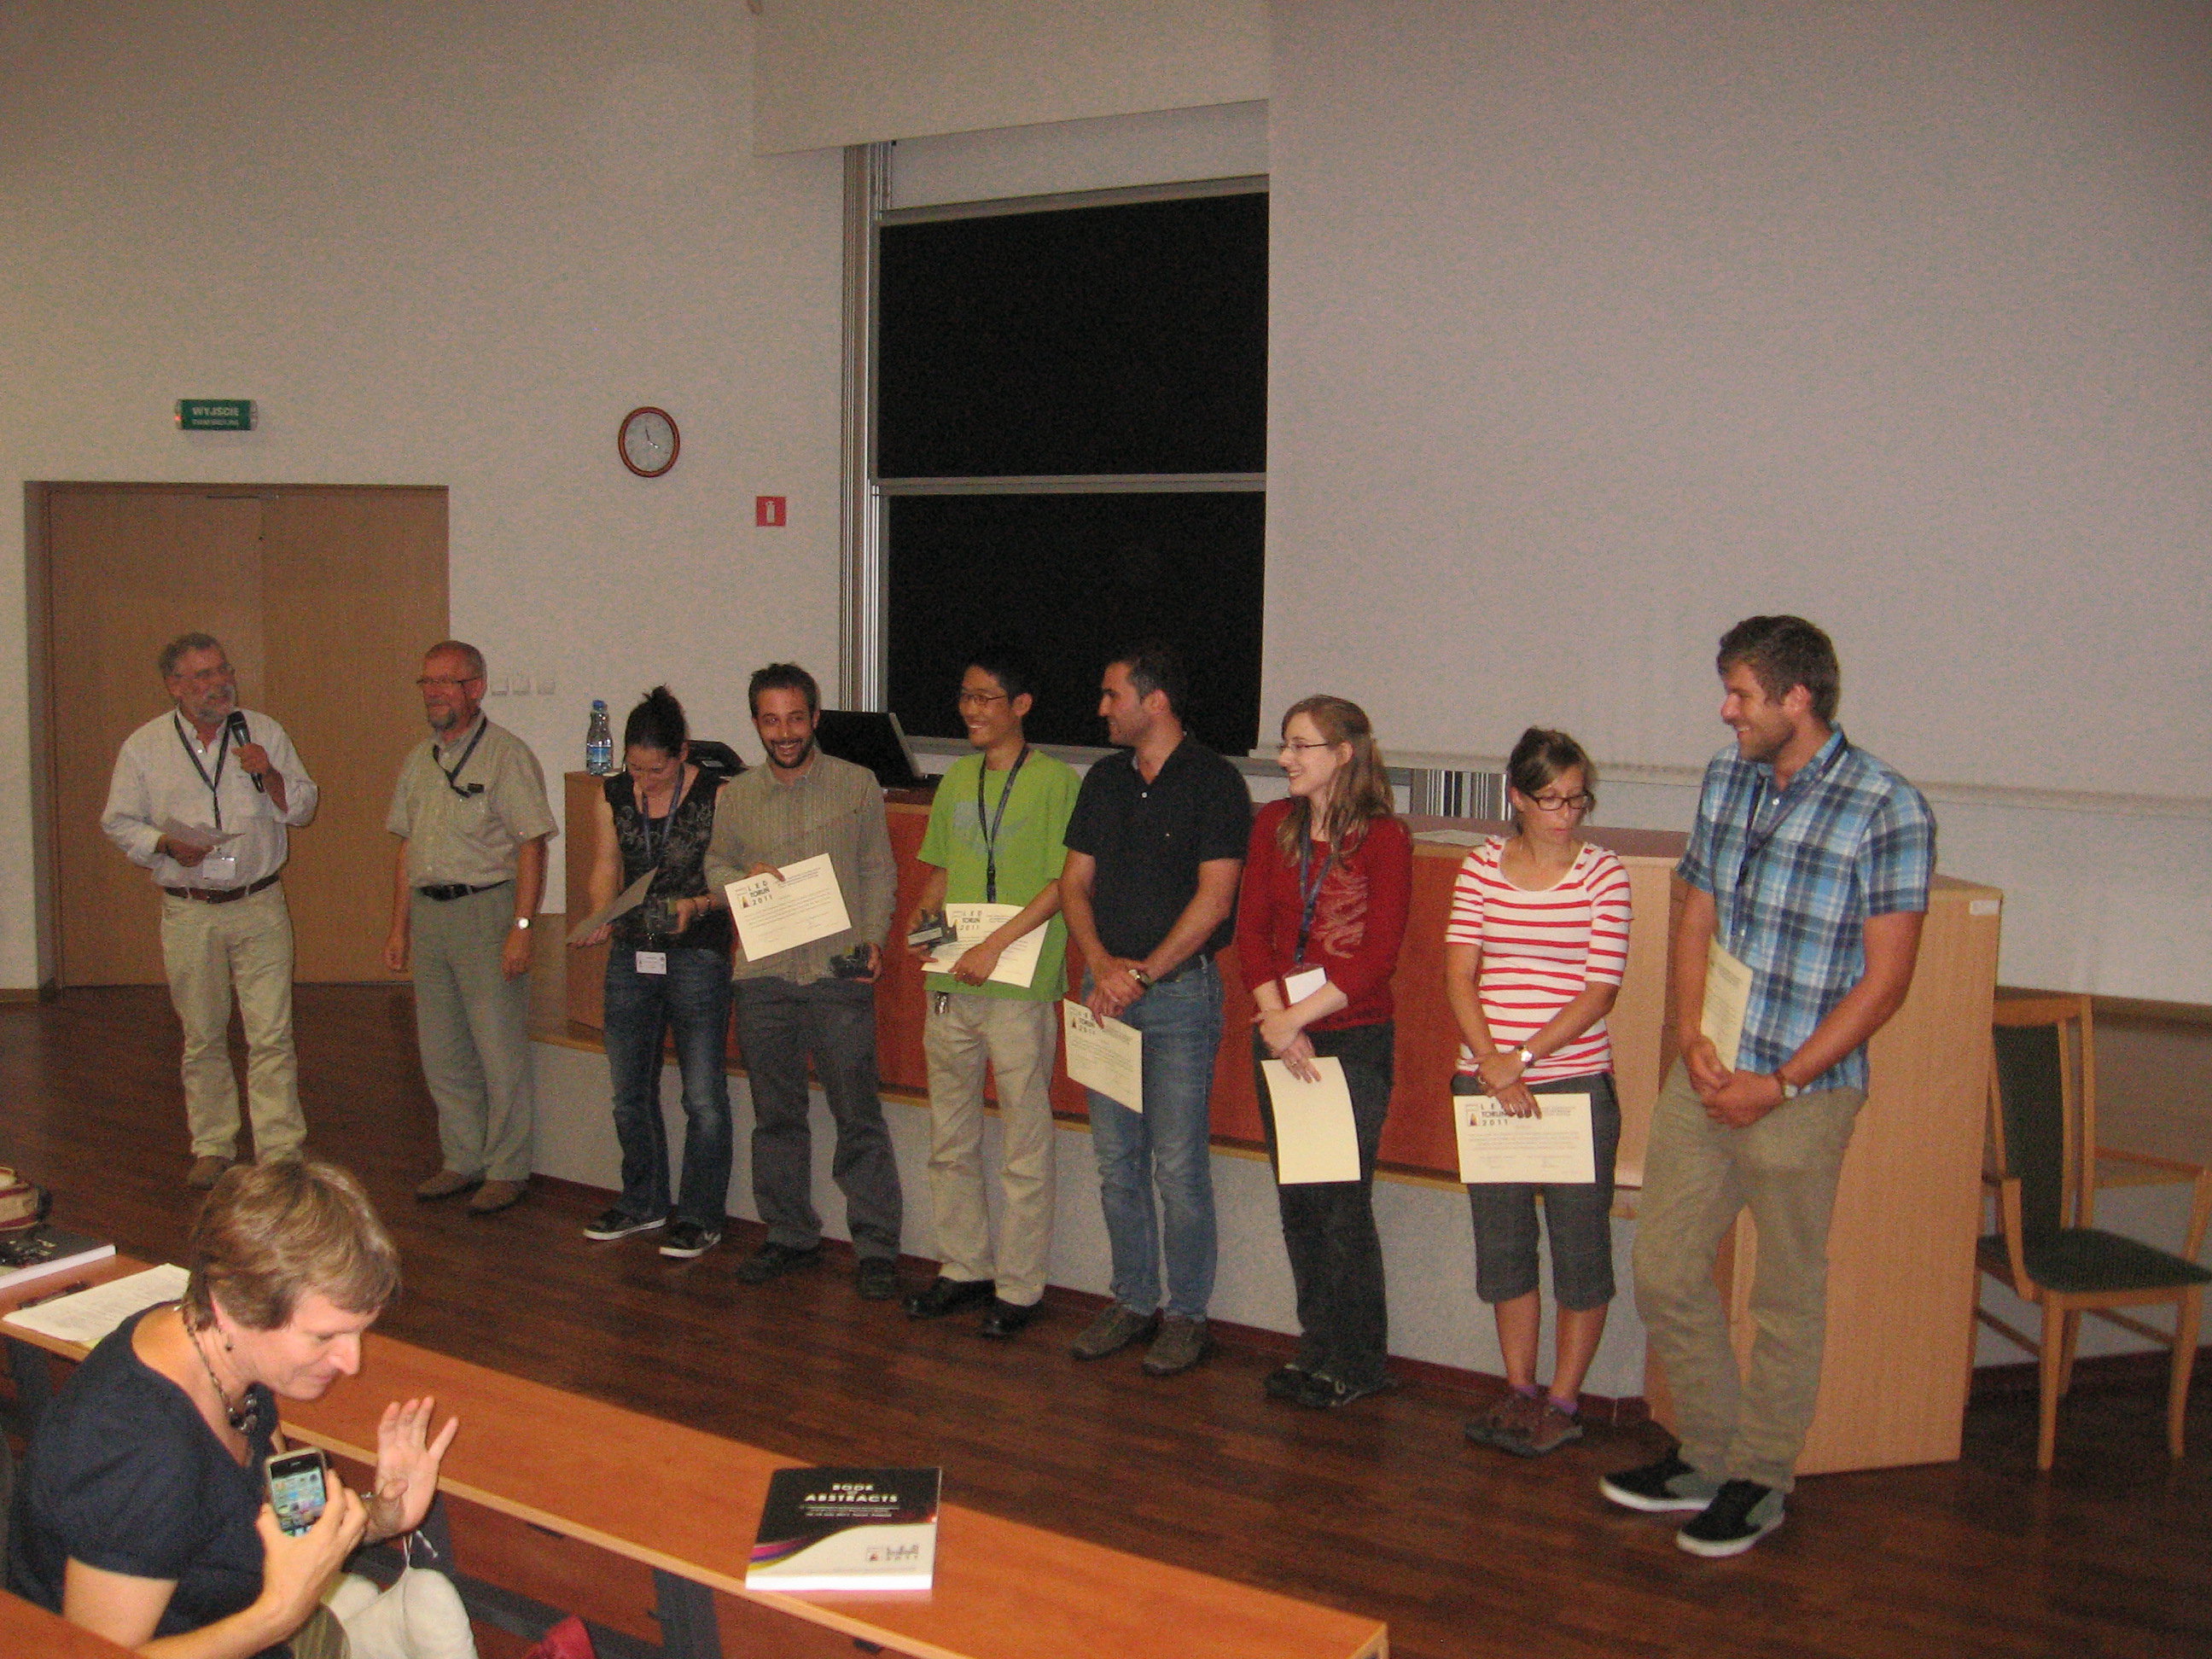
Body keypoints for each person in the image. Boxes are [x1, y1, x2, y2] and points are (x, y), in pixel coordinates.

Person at [1602, 615, 1934, 1557]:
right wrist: (1689, 1035)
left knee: (1785, 1296)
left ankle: (1760, 1478)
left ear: (1798, 698)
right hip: (1709, 1071)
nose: (1727, 710)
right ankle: (1707, 1453)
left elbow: (1887, 982)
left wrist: (1780, 1083)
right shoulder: (1728, 778)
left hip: (1802, 1091)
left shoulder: (1887, 808)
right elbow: (1696, 909)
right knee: (1665, 1266)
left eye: (1741, 694)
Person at [8, 1159, 459, 1658]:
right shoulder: (143, 1454)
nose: (352, 1363)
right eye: (324, 1337)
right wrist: (277, 1616)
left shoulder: (224, 1354)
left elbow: (291, 1517)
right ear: (233, 1305)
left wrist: (382, 1516)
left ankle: (347, 1628)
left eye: (359, 1332)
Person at [1059, 643, 1251, 1377]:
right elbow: (1074, 884)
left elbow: (1216, 900)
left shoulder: (1214, 781)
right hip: (1103, 994)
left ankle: (1188, 1315)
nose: (1102, 708)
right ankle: (1133, 1300)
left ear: (1156, 701)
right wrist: (1103, 967)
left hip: (1178, 999)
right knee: (1116, 1163)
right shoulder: (1104, 780)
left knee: (1177, 1166)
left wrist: (1139, 974)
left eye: (1113, 695)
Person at [1443, 728, 1633, 1456]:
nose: (1567, 813)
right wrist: (1493, 1063)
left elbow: (1600, 991)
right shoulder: (1481, 866)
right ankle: (1520, 1390)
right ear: (1517, 798)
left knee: (1581, 1250)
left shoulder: (1603, 874)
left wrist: (1521, 1058)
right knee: (1504, 1247)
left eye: (1578, 798)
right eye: (1551, 799)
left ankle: (1563, 1400)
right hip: (1488, 1086)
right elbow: (1460, 974)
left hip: (1572, 1084)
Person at [701, 663, 905, 1299]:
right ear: (755, 723)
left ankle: (876, 1246)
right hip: (763, 976)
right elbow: (714, 866)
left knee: (857, 1114)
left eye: (795, 718)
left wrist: (874, 938)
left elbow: (878, 868)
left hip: (837, 972)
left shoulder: (856, 783)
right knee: (776, 1116)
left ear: (815, 718)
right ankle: (789, 1234)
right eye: (771, 720)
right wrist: (740, 881)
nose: (784, 732)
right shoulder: (735, 795)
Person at [900, 645, 1081, 1340]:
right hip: (952, 980)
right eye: (965, 697)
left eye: (985, 699)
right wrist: (924, 932)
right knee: (950, 1138)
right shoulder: (956, 779)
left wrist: (994, 946)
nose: (971, 710)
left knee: (1023, 1145)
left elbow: (1064, 884)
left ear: (1021, 706)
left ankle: (1019, 1286)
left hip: (1018, 983)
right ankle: (964, 1268)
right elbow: (941, 872)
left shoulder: (1057, 782)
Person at [1236, 696, 1411, 1408]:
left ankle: (1357, 1362)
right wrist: (1277, 1021)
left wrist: (1294, 1019)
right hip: (1281, 1033)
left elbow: (1378, 956)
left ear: (1343, 755)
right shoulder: (1272, 825)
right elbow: (1251, 933)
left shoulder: (1384, 838)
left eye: (1300, 746)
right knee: (1299, 1201)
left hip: (1351, 1037)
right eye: (1284, 744)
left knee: (1340, 1203)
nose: (1284, 759)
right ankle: (1316, 1350)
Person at [101, 633, 320, 1188]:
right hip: (190, 910)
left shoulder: (264, 732)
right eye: (202, 676)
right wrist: (164, 845)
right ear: (174, 685)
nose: (219, 684)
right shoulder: (144, 746)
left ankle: (280, 1150)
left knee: (271, 1033)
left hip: (259, 902)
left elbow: (304, 807)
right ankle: (214, 1145)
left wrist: (270, 775)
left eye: (223, 671)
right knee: (202, 1035)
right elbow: (119, 821)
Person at [382, 641, 556, 1216]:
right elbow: (406, 849)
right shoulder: (418, 760)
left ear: (475, 689)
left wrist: (522, 926)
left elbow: (531, 845)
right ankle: (462, 1158)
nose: (434, 693)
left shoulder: (506, 755)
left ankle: (507, 1168)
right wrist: (398, 928)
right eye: (427, 682)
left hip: (487, 911)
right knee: (443, 1050)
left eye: (446, 682)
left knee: (497, 1049)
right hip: (430, 915)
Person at [573, 687, 739, 1259]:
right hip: (633, 951)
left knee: (702, 1096)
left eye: (657, 770)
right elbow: (606, 866)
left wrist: (698, 905)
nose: (644, 781)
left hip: (698, 953)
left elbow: (737, 880)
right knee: (628, 1089)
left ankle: (699, 1216)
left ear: (683, 753)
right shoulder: (613, 794)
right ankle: (642, 1200)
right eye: (635, 769)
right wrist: (601, 913)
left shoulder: (719, 795)